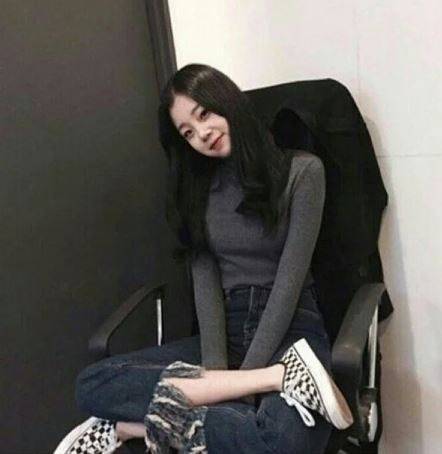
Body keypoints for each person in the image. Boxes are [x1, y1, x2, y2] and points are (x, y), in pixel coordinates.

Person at [54, 64, 353, 454]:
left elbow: (289, 281)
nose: (202, 134)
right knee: (92, 385)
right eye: (188, 132)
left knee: (285, 443)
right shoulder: (196, 191)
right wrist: (225, 375)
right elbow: (207, 288)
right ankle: (277, 379)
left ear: (227, 102)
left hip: (293, 331)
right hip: (226, 330)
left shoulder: (302, 171)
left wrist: (227, 387)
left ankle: (134, 428)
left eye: (204, 114)